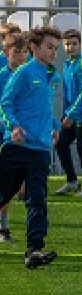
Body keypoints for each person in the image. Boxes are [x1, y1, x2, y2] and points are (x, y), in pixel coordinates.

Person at [0, 25, 62, 269]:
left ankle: (34, 250)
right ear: (34, 48)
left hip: (40, 150)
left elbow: (44, 106)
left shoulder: (51, 75)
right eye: (49, 47)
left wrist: (54, 125)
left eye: (55, 49)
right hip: (18, 147)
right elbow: (6, 102)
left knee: (37, 200)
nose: (53, 52)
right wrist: (14, 126)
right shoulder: (25, 72)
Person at [54, 29, 82, 198]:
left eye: (74, 44)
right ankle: (72, 180)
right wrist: (65, 114)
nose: (70, 47)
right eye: (67, 44)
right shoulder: (66, 65)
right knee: (60, 143)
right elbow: (66, 92)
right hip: (69, 115)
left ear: (80, 45)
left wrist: (71, 115)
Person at [0, 31, 30, 244]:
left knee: (8, 183)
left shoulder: (31, 76)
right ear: (6, 53)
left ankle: (3, 227)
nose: (20, 56)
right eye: (16, 52)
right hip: (6, 133)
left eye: (23, 52)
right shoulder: (2, 75)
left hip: (19, 136)